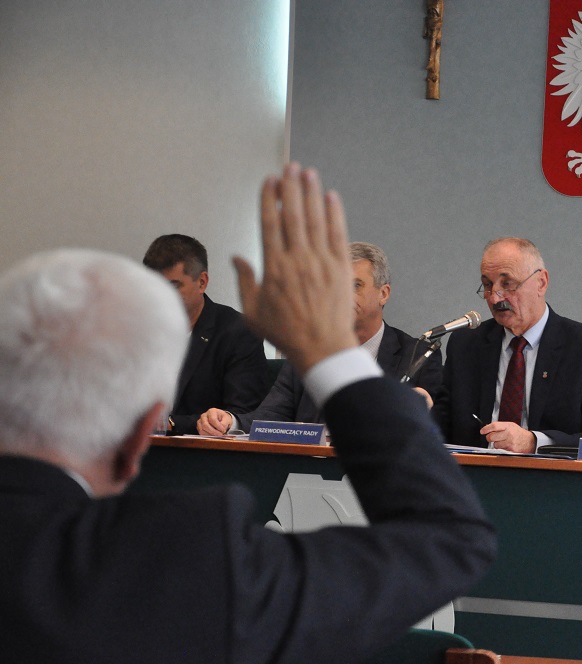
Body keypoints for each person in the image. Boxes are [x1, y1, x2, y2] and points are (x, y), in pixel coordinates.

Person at [0, 163, 496, 663]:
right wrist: (329, 356)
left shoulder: (416, 354)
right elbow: (449, 541)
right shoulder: (189, 556)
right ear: (138, 438)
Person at [196, 242, 442, 435]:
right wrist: (229, 421)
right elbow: (268, 418)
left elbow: (436, 432)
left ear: (383, 294)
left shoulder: (417, 355)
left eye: (355, 285)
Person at [433, 237, 582, 452]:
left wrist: (535, 442)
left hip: (552, 472)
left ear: (541, 282)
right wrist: (419, 408)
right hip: (475, 470)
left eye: (507, 284)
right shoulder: (466, 345)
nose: (495, 298)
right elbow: (440, 427)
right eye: (488, 285)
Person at [142, 234, 271, 434]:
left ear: (202, 282)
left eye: (173, 286)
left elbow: (243, 415)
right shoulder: (139, 329)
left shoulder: (238, 331)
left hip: (201, 449)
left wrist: (170, 423)